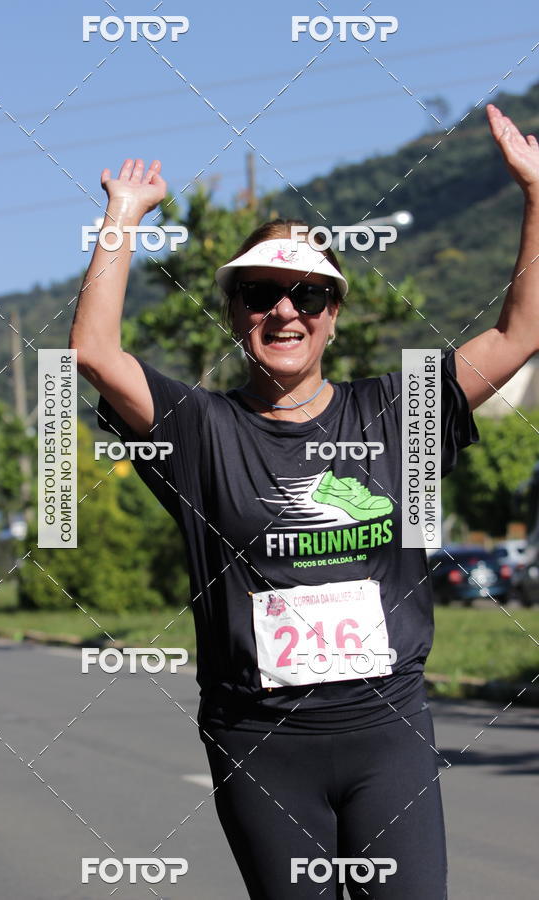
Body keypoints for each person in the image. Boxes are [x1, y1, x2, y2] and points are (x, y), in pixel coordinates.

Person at [69, 104, 539, 899]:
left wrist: (536, 195)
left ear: (332, 315)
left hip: (385, 734)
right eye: (260, 294)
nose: (283, 309)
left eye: (306, 294)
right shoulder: (201, 429)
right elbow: (93, 352)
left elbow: (522, 331)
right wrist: (121, 218)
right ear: (235, 313)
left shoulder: (398, 413)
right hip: (259, 744)